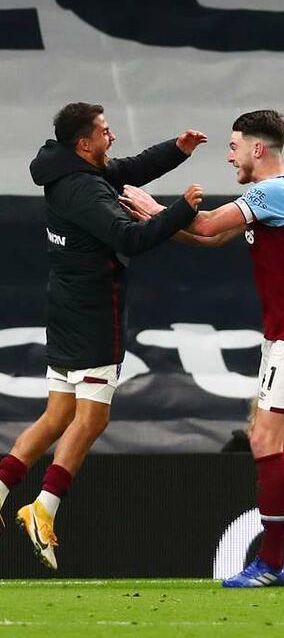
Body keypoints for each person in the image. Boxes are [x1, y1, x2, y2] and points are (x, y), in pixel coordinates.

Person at [121, 110, 284, 588]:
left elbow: (204, 225)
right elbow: (213, 237)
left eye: (234, 146)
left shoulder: (273, 191)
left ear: (257, 149)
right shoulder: (276, 193)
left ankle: (273, 561)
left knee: (264, 440)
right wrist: (158, 220)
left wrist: (155, 207)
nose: (229, 155)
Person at [0, 102, 205, 570]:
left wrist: (177, 149)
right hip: (94, 312)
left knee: (58, 415)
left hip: (65, 305)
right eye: (105, 131)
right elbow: (129, 238)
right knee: (92, 419)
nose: (111, 137)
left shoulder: (66, 168)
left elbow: (128, 169)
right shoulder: (85, 190)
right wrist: (181, 211)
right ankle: (43, 508)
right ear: (84, 143)